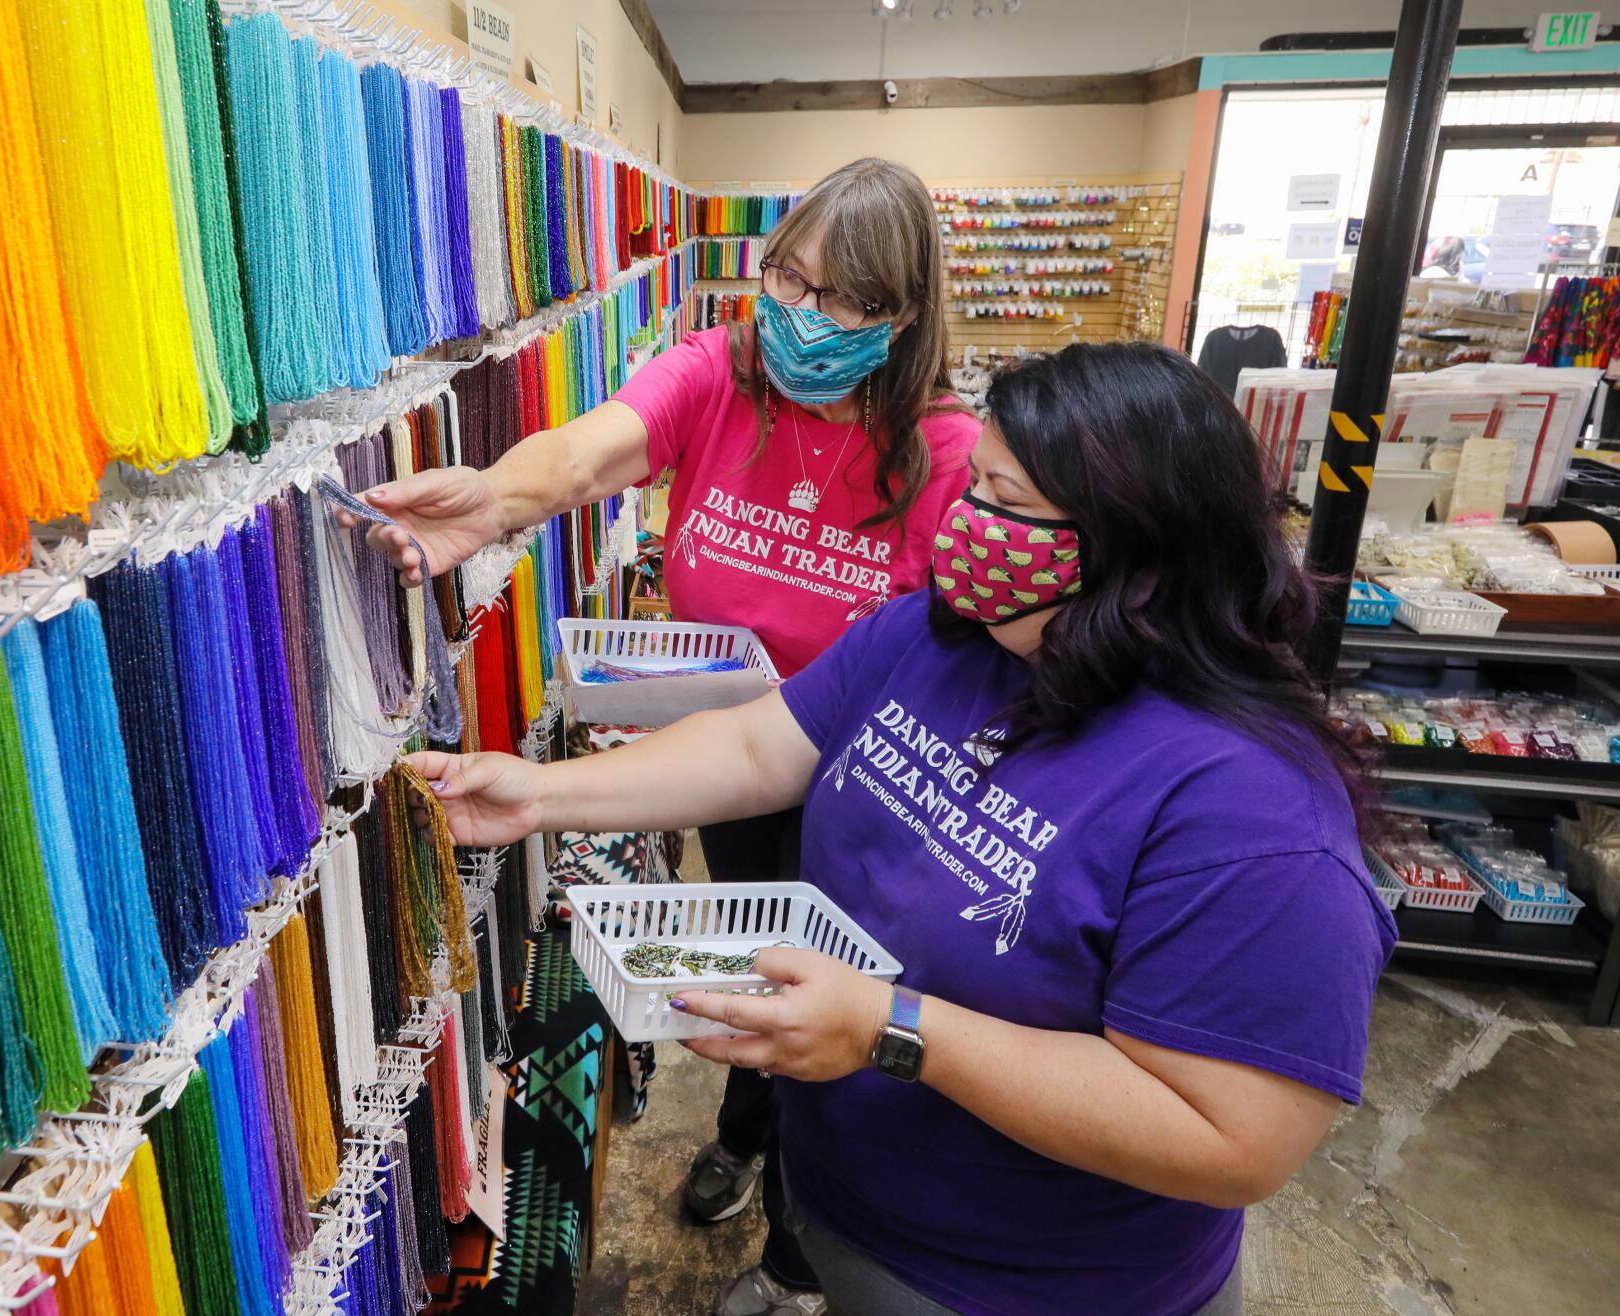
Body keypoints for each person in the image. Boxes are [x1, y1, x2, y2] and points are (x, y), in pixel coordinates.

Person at [406, 341, 1397, 1316]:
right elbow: (759, 748)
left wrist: (892, 1029)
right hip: (845, 1207)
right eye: (974, 487)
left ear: (1136, 542)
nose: (965, 523)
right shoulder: (940, 634)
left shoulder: (1255, 813)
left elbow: (1230, 1137)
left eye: (1006, 504)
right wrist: (542, 793)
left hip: (1035, 1284)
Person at [355, 157, 982, 1314]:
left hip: (867, 795)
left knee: (832, 1007)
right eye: (786, 276)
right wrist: (494, 498)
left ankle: (795, 1259)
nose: (798, 314)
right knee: (747, 971)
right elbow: (592, 447)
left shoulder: (942, 454)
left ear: (900, 315)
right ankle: (744, 1135)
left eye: (840, 299)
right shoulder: (722, 373)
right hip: (717, 754)